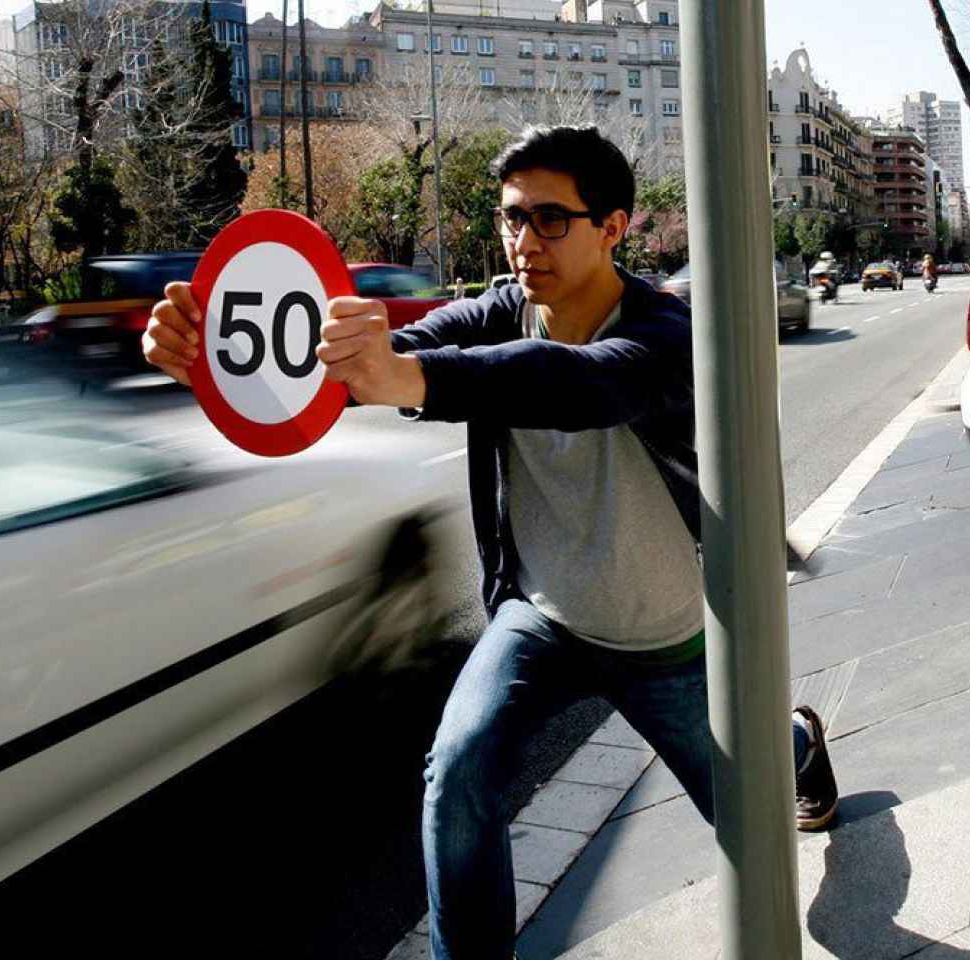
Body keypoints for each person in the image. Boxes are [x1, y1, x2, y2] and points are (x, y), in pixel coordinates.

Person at [140, 125, 839, 960]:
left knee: (755, 826)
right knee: (456, 774)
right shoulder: (492, 312)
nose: (523, 241)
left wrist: (416, 379)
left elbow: (584, 383)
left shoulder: (668, 331)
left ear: (613, 227)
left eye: (550, 220)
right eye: (511, 218)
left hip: (670, 634)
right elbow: (383, 357)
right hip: (540, 618)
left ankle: (794, 742)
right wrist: (222, 366)